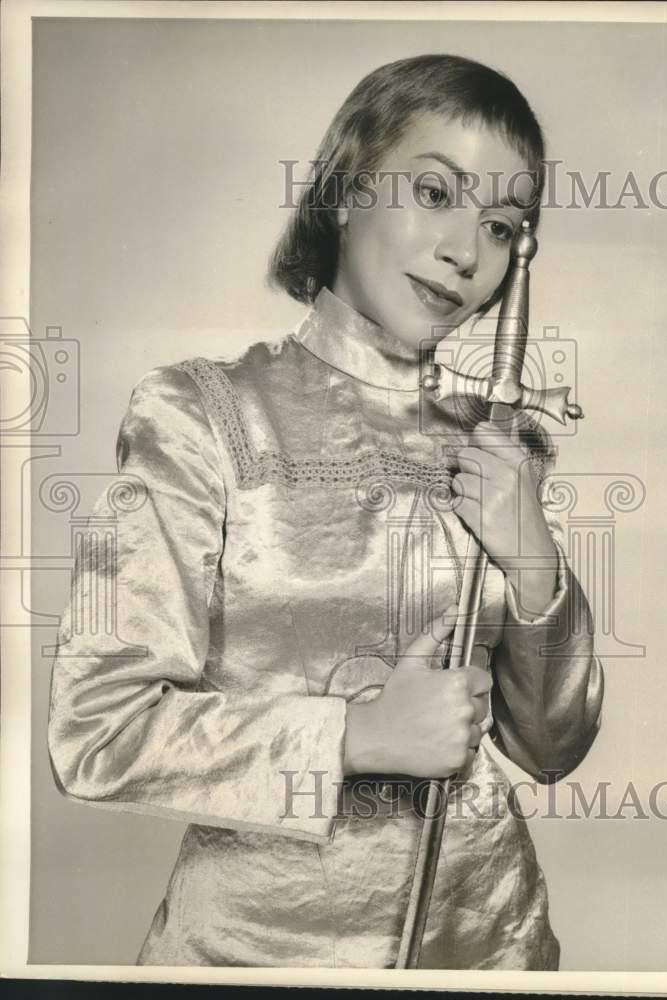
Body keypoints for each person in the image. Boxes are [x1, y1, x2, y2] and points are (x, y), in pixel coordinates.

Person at [47, 54, 604, 970]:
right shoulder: (199, 415)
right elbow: (99, 731)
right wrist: (352, 736)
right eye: (435, 192)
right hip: (257, 953)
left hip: (493, 945)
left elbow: (550, 750)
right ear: (345, 191)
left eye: (502, 226)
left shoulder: (501, 445)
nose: (468, 253)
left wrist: (535, 563)